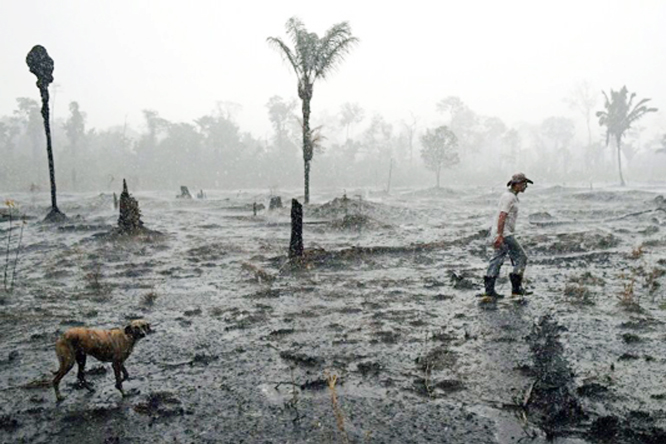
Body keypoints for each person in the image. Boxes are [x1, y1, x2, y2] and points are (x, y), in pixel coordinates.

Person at [483, 172, 533, 298]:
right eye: (524, 183)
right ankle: (516, 289)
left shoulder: (511, 196)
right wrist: (500, 235)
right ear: (517, 184)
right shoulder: (509, 197)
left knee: (497, 258)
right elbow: (502, 216)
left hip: (502, 232)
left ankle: (489, 291)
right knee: (522, 257)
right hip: (504, 233)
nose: (526, 186)